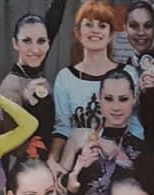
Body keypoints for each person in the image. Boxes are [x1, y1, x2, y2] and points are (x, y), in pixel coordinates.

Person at [51, 2, 140, 166]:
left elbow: (135, 124)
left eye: (102, 25)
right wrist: (53, 158)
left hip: (120, 160)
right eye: (89, 24)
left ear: (111, 34)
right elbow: (62, 127)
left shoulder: (128, 73)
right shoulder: (65, 77)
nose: (95, 31)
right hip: (78, 161)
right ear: (78, 32)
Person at [0, 7, 69, 161]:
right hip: (28, 168)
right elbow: (15, 148)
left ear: (48, 44)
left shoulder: (36, 74)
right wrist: (28, 105)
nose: (35, 49)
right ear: (15, 43)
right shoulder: (11, 87)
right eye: (27, 41)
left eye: (41, 41)